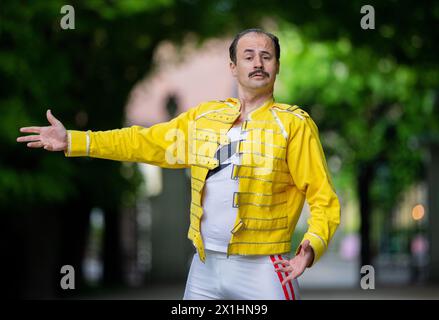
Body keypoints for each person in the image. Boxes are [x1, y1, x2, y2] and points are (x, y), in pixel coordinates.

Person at [17, 28, 340, 300]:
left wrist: (308, 249)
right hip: (204, 267)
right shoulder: (205, 119)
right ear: (232, 67)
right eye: (248, 56)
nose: (258, 63)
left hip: (264, 269)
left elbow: (324, 199)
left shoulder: (294, 125)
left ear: (277, 66)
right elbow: (145, 142)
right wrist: (75, 140)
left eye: (266, 56)